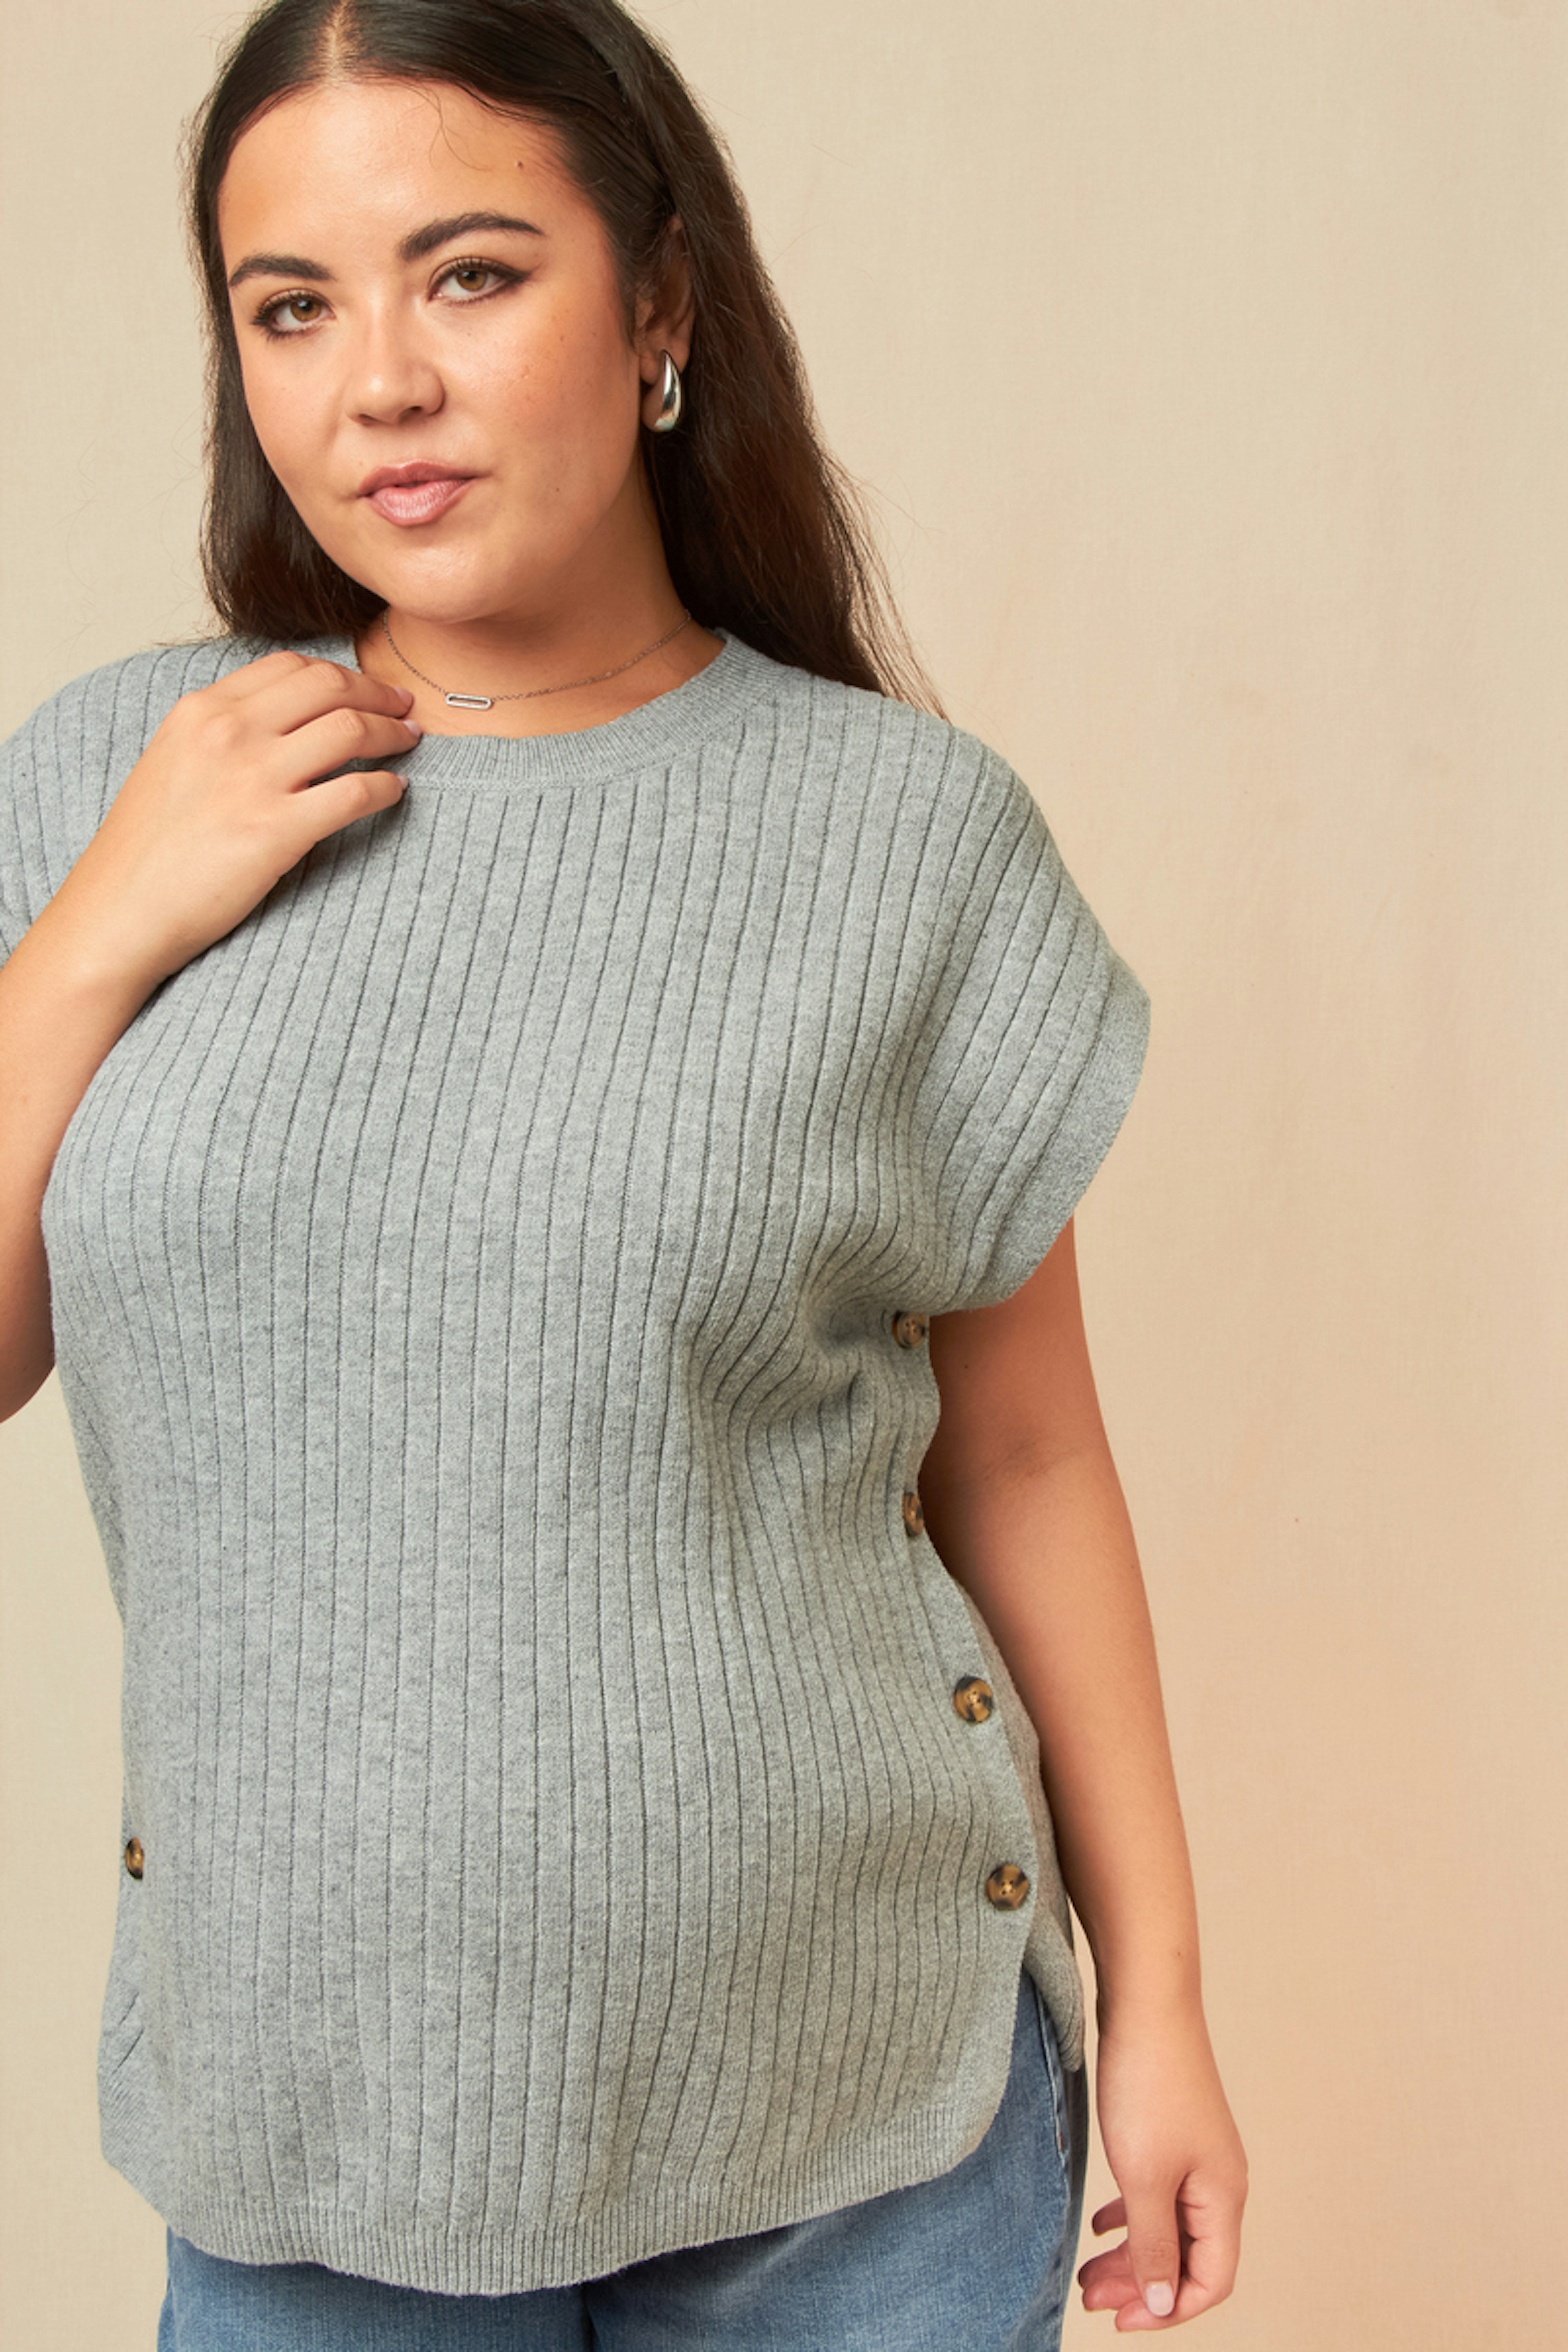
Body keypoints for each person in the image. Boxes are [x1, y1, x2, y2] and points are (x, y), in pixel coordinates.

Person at [0, 0, 1248, 2343]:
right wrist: (97, 932)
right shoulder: (116, 779)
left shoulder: (906, 840)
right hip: (307, 2113)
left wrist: (1161, 2002)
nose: (381, 383)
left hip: (858, 2136)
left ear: (659, 306)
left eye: (470, 275)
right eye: (293, 308)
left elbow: (1028, 1458)